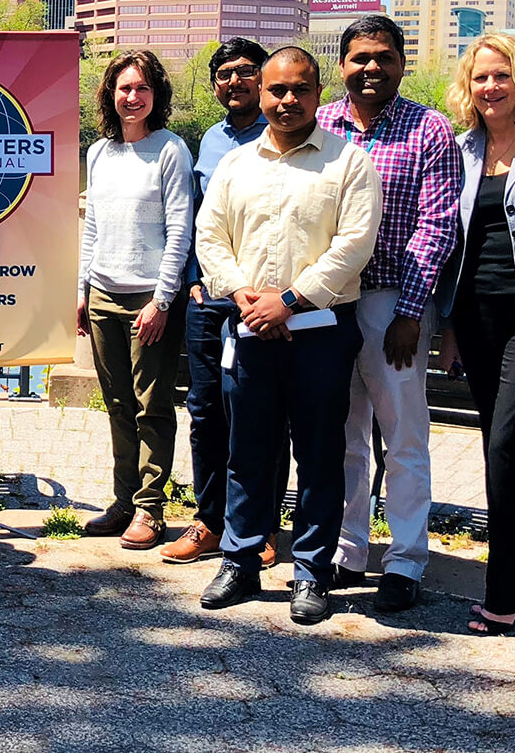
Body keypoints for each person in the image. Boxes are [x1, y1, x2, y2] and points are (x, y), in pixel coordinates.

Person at [193, 46, 381, 621]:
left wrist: (291, 300)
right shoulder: (235, 164)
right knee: (246, 451)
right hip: (249, 327)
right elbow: (210, 236)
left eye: (300, 89)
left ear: (319, 94)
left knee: (320, 454)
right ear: (262, 93)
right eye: (277, 90)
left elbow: (354, 245)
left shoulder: (347, 163)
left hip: (320, 331)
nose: (287, 100)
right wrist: (244, 295)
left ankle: (310, 572)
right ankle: (241, 561)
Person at [317, 14, 462, 612]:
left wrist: (410, 311)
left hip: (390, 303)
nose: (371, 67)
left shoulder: (430, 128)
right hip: (327, 301)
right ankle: (347, 551)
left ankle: (405, 560)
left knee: (403, 438)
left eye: (384, 56)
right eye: (360, 57)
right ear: (342, 65)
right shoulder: (321, 121)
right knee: (343, 435)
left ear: (402, 62)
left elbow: (437, 226)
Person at [433, 34, 515, 633]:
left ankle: (505, 593)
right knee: (500, 449)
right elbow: (453, 245)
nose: (490, 87)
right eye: (480, 78)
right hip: (474, 317)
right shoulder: (461, 149)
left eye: (501, 75)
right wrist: (450, 327)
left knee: (508, 447)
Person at [161, 38, 287, 567]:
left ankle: (262, 526)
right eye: (224, 73)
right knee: (205, 411)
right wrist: (192, 277)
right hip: (208, 297)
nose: (234, 81)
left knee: (262, 412)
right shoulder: (209, 140)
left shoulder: (283, 135)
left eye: (245, 71)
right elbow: (197, 217)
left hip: (262, 299)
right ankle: (210, 520)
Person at [77, 49, 194, 551]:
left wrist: (163, 301)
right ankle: (123, 501)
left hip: (150, 300)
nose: (133, 97)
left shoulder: (171, 151)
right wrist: (82, 290)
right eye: (125, 87)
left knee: (153, 407)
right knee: (118, 405)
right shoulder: (100, 153)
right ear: (110, 93)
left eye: (142, 88)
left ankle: (151, 510)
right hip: (104, 295)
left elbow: (179, 231)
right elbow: (94, 227)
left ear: (156, 95)